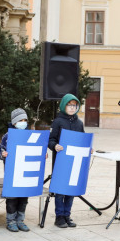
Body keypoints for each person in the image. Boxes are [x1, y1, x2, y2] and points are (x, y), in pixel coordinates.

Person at [49, 93, 85, 228]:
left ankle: (67, 215)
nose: (72, 108)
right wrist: (55, 146)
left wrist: (88, 148)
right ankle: (59, 217)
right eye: (69, 105)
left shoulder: (79, 123)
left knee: (70, 191)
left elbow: (82, 140)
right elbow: (51, 140)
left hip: (74, 162)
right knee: (60, 191)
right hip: (61, 162)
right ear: (64, 105)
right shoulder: (58, 121)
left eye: (74, 105)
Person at [0, 108, 32, 232]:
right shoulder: (7, 136)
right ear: (14, 122)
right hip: (12, 173)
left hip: (25, 172)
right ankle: (11, 221)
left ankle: (20, 220)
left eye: (25, 120)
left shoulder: (30, 135)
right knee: (12, 198)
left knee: (23, 198)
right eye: (20, 120)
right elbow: (0, 152)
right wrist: (3, 154)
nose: (23, 123)